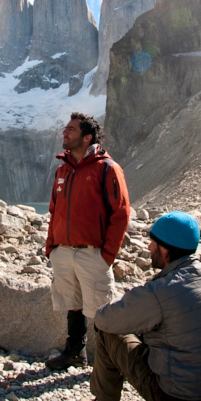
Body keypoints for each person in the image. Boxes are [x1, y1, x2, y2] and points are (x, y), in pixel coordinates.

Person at [75, 211, 201, 401]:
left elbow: (105, 319)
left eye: (153, 243)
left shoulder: (162, 290)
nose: (149, 248)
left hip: (177, 398)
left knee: (108, 331)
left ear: (165, 249)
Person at [44, 112, 130, 370]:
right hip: (64, 251)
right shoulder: (62, 170)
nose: (64, 132)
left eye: (70, 129)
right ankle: (74, 352)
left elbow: (122, 212)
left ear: (87, 137)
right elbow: (54, 210)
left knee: (102, 310)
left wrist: (107, 255)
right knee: (73, 304)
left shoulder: (107, 168)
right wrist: (52, 247)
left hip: (93, 253)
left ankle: (110, 364)